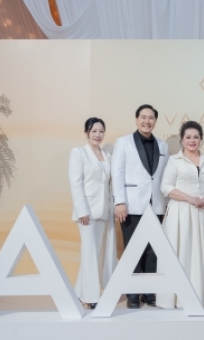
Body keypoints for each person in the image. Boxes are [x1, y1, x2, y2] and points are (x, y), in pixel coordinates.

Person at [157, 121, 204, 308]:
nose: (192, 140)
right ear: (182, 140)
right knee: (182, 251)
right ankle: (178, 297)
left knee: (202, 253)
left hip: (203, 213)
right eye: (188, 137)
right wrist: (190, 198)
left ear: (201, 139)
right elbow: (166, 187)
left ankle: (201, 294)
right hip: (181, 213)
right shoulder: (174, 160)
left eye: (196, 137)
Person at [112, 104, 169, 309]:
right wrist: (119, 201)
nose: (147, 121)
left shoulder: (163, 145)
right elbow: (117, 173)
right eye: (143, 117)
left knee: (153, 251)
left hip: (157, 204)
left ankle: (149, 292)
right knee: (133, 250)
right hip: (131, 204)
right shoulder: (123, 142)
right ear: (136, 120)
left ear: (155, 121)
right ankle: (133, 294)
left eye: (151, 118)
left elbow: (162, 177)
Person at [68, 117, 118, 309]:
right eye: (94, 131)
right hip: (86, 211)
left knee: (94, 253)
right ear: (87, 133)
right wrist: (81, 210)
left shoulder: (107, 154)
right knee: (89, 251)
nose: (98, 135)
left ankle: (77, 292)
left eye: (101, 131)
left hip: (103, 210)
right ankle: (90, 297)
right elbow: (75, 183)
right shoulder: (78, 153)